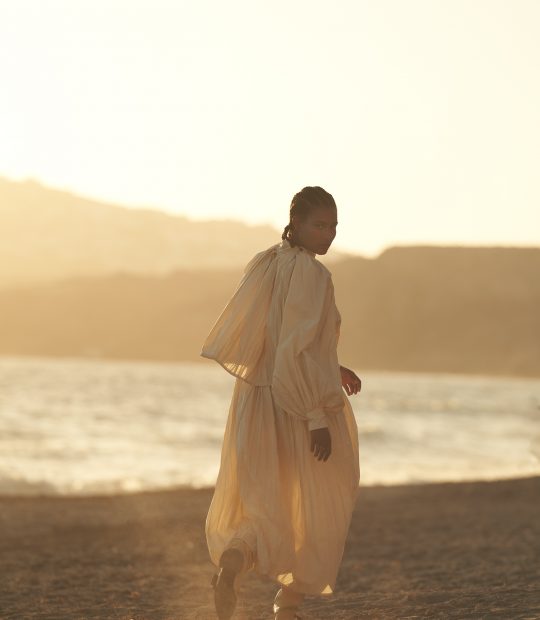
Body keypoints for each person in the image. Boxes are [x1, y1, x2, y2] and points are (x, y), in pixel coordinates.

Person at [201, 186, 361, 620]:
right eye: (319, 225)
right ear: (297, 223)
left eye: (333, 226)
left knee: (263, 501)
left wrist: (335, 368)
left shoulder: (267, 262)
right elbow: (295, 350)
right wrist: (313, 416)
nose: (327, 235)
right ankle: (288, 603)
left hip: (255, 401)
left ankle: (236, 556)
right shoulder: (312, 274)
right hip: (296, 403)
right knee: (317, 499)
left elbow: (279, 340)